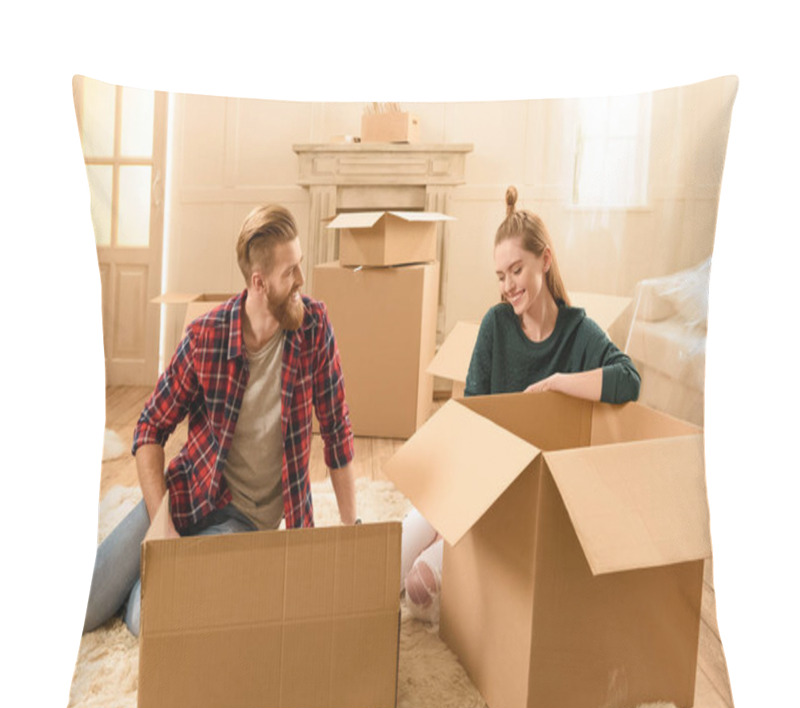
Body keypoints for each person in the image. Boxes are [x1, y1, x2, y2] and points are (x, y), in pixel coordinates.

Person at [83, 204, 357, 636]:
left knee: (151, 621)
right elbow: (149, 429)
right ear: (259, 282)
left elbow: (337, 430)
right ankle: (142, 571)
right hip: (184, 494)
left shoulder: (314, 330)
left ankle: (140, 589)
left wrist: (350, 526)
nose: (301, 281)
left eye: (299, 265)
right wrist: (162, 526)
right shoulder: (205, 338)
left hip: (242, 520)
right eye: (290, 272)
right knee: (82, 607)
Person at [401, 186, 641, 622]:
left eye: (517, 270)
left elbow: (629, 380)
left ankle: (460, 572)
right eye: (501, 275)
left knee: (420, 588)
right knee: (403, 545)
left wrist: (560, 383)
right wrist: (450, 505)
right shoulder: (496, 325)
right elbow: (470, 413)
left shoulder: (579, 332)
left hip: (529, 502)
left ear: (544, 261)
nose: (509, 286)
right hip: (478, 478)